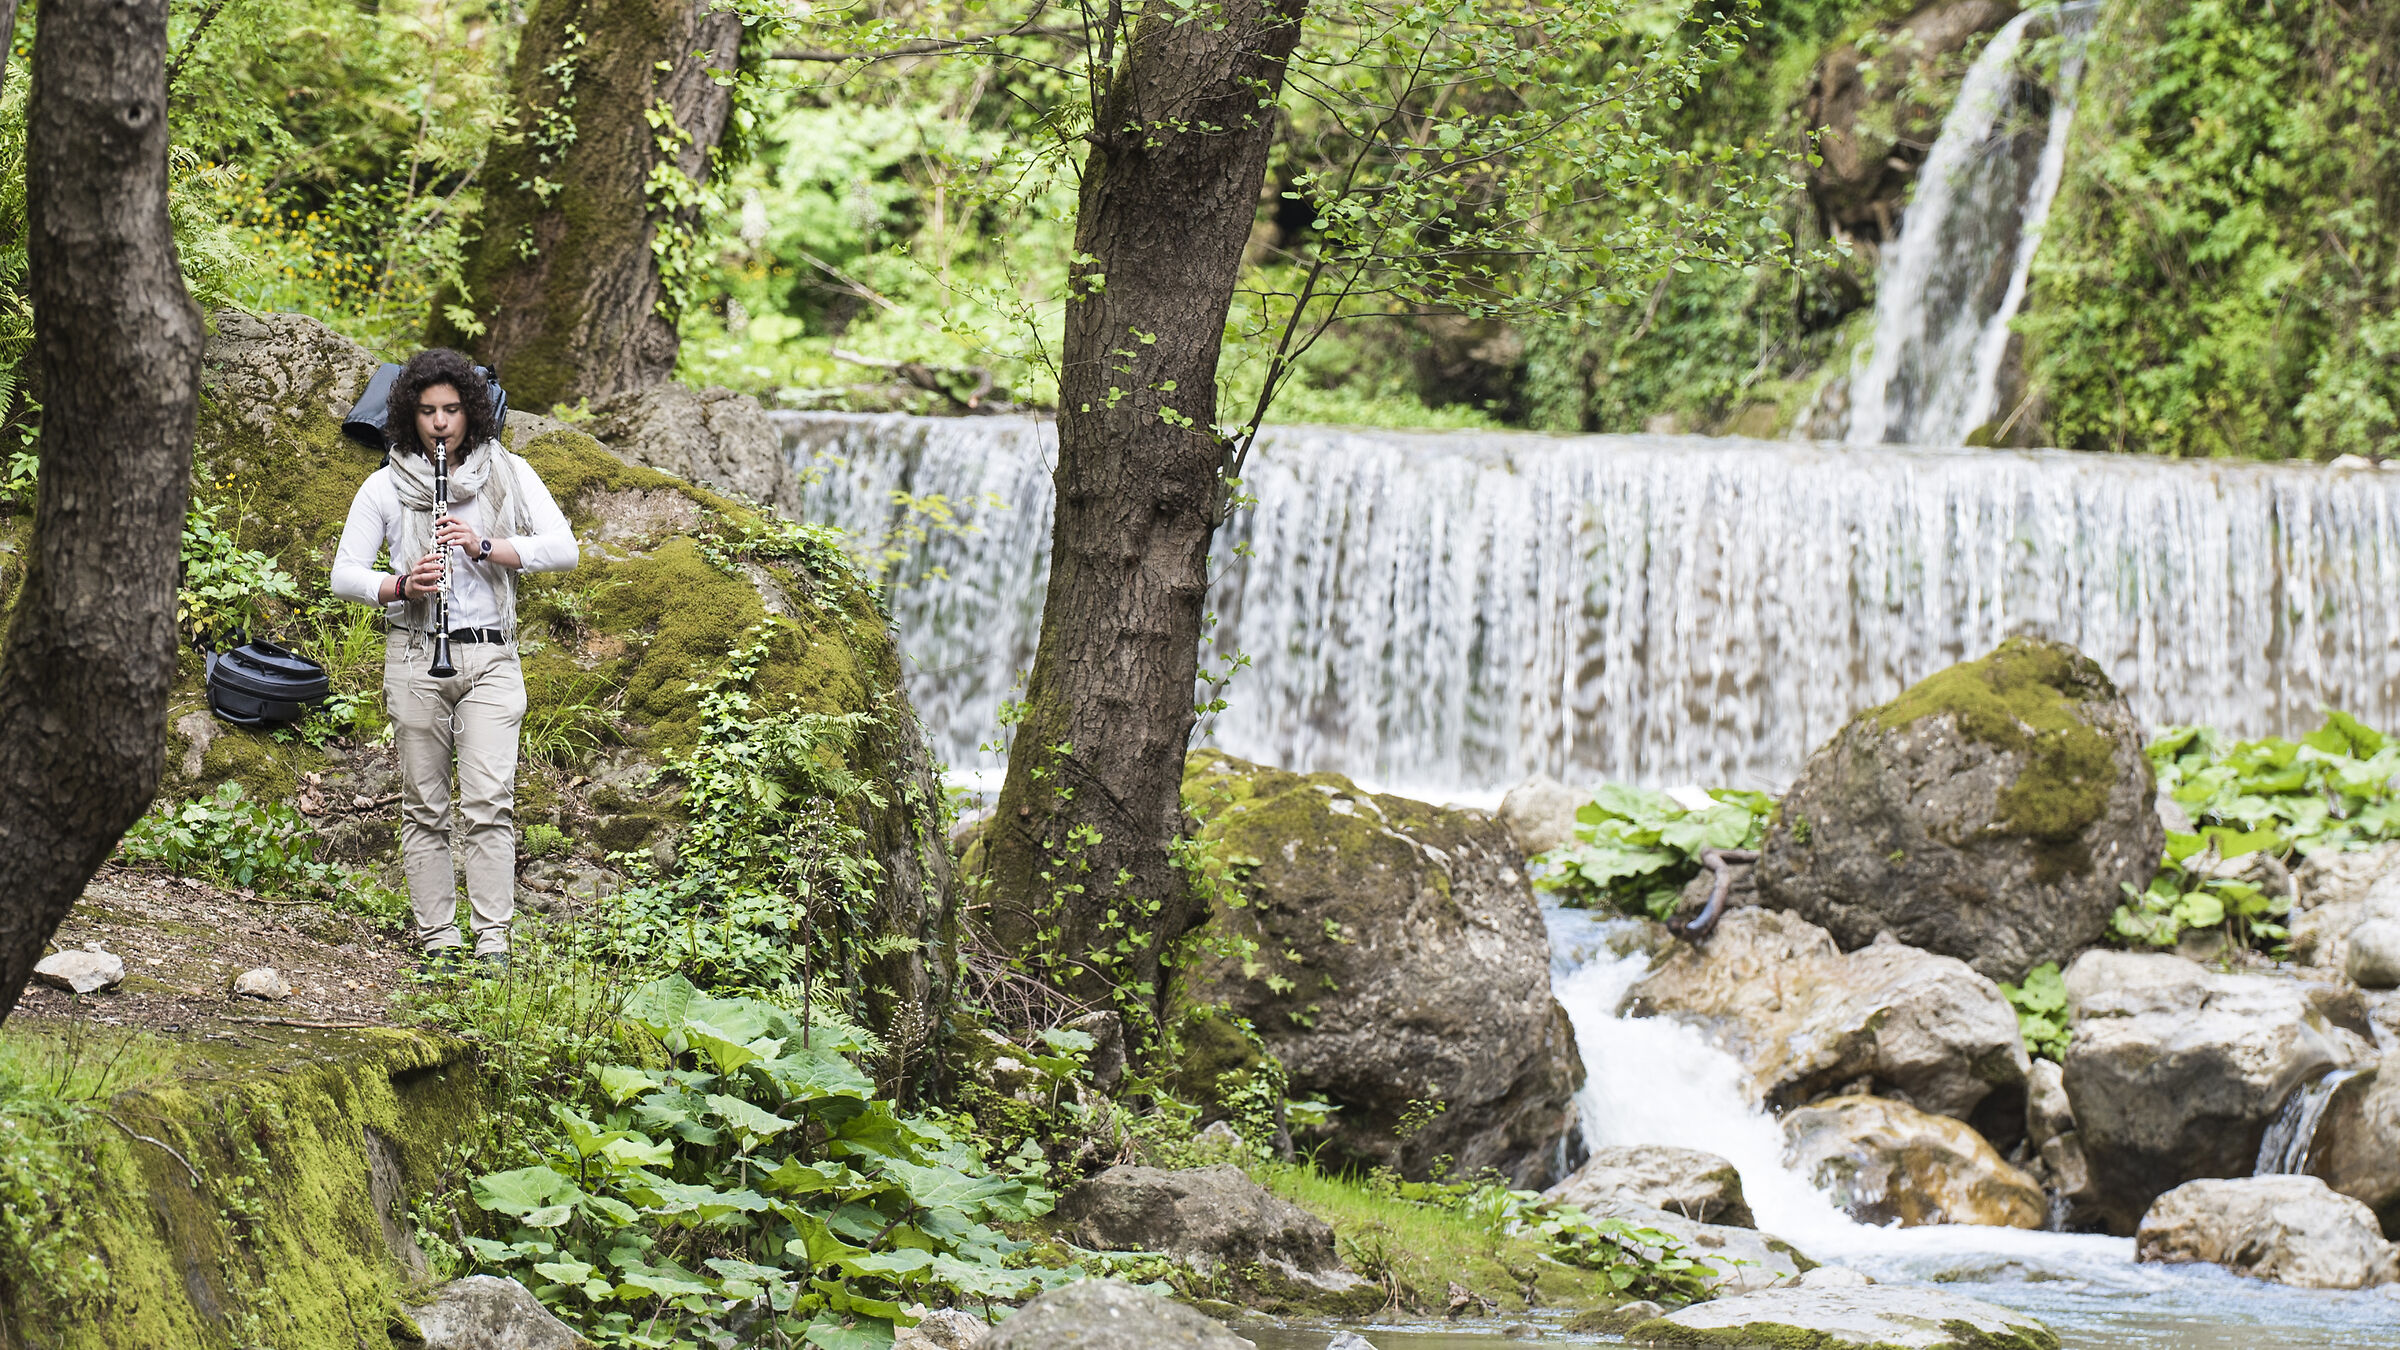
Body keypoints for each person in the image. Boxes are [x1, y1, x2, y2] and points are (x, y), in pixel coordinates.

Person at [330, 349, 578, 975]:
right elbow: (345, 574)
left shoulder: (510, 472)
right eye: (426, 411)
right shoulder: (385, 485)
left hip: (493, 655)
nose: (440, 423)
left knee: (490, 802)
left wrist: (488, 546)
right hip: (415, 654)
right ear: (408, 416)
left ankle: (493, 941)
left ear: (471, 412)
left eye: (451, 410)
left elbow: (564, 548)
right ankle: (438, 937)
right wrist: (399, 586)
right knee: (424, 805)